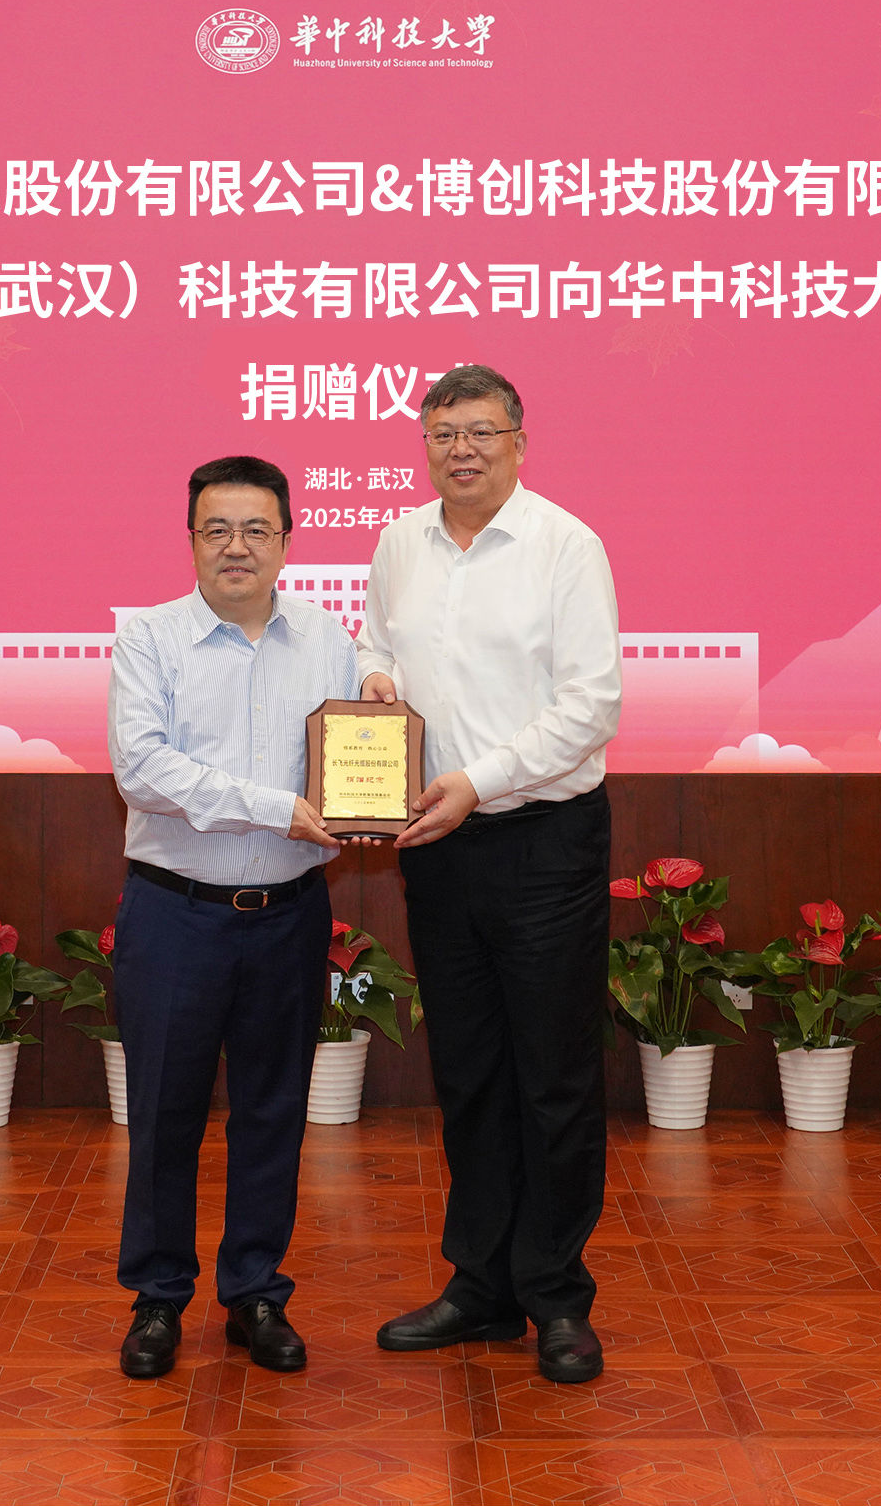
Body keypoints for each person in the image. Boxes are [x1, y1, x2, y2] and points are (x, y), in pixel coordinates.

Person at [355, 364, 622, 1385]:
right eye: (443, 433)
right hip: (441, 843)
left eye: (481, 431)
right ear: (425, 444)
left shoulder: (566, 545)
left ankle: (556, 1294)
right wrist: (377, 678)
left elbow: (591, 705)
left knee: (552, 1073)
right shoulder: (400, 542)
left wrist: (480, 779)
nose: (460, 449)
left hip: (544, 838)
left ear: (519, 440)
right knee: (467, 1068)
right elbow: (379, 640)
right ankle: (481, 1284)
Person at [105, 454, 360, 1380]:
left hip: (290, 916)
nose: (237, 546)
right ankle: (157, 1298)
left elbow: (358, 747)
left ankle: (256, 1290)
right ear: (191, 541)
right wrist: (274, 808)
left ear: (287, 540)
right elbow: (143, 768)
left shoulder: (328, 640)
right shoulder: (150, 639)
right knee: (163, 1113)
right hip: (177, 915)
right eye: (217, 529)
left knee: (273, 1109)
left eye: (257, 529)